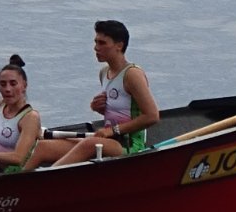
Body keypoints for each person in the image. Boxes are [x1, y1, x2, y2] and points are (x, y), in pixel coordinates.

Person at [38, 20, 161, 168]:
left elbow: (152, 116)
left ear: (119, 46)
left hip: (130, 145)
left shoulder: (132, 74)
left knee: (90, 143)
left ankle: (46, 181)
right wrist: (99, 108)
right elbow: (120, 110)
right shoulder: (104, 73)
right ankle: (15, 181)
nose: (96, 48)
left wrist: (112, 131)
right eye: (96, 42)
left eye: (102, 43)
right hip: (108, 141)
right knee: (43, 146)